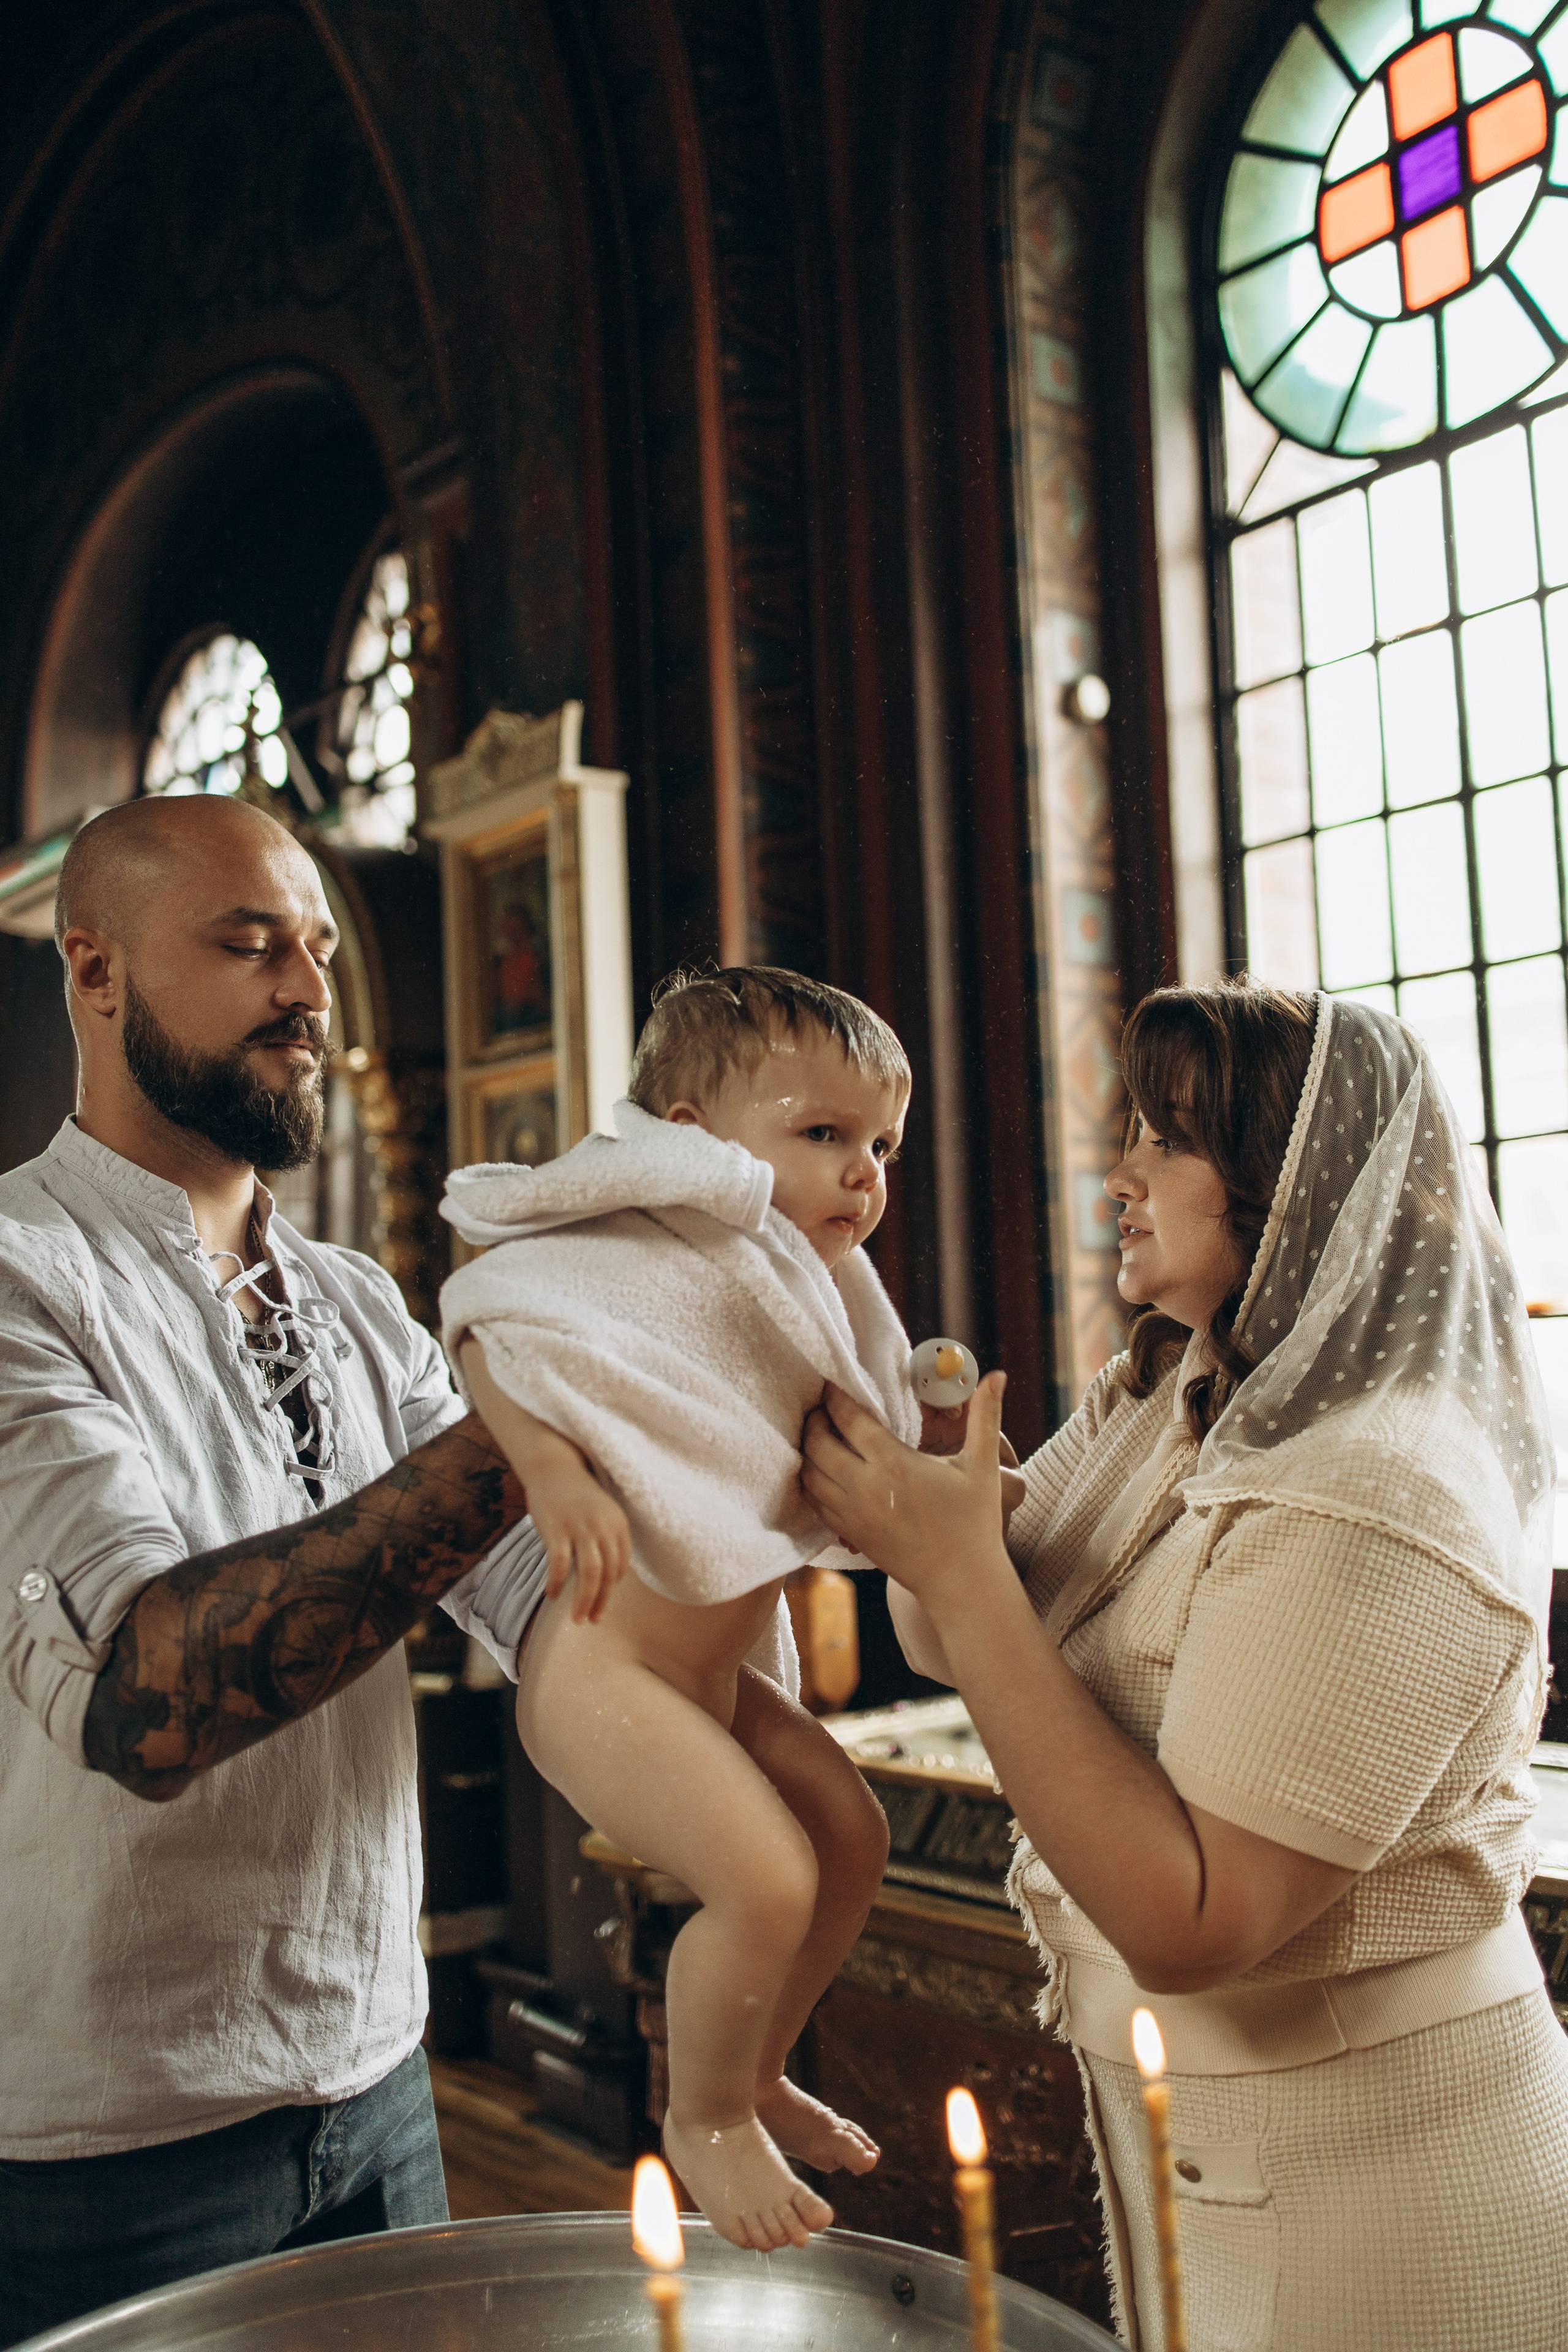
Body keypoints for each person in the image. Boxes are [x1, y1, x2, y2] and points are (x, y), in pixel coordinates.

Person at [802, 982, 1568, 2352]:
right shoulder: (1179, 1384)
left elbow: (1190, 1925)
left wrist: (960, 1566)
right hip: (1202, 2153)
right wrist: (937, 1514)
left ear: (1290, 1190)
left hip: (1378, 2187)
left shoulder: (1378, 1489)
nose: (1124, 1177)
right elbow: (962, 1630)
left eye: (1167, 1139)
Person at [0, 796, 539, 2347]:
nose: (308, 989)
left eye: (313, 947)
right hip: (113, 2153)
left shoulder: (364, 1306)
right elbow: (144, 1699)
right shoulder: (23, 1284)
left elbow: (538, 1594)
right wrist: (532, 1427)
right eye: (248, 947)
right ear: (94, 973)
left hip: (380, 2090)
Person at [440, 969, 927, 2252]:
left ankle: (755, 2067)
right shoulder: (635, 1248)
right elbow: (486, 1322)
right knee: (763, 1882)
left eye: (879, 1142)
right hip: (603, 1672)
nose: (861, 1172)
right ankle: (701, 2114)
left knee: (850, 1834)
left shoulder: (796, 1284)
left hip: (707, 1674)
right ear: (686, 1138)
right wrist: (549, 1474)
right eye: (818, 1135)